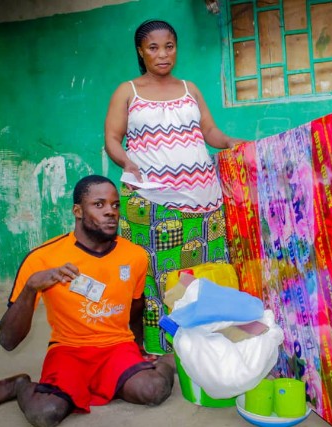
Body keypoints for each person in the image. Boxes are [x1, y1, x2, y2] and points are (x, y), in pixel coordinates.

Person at [0, 175, 175, 426]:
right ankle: (19, 385)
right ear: (77, 211)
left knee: (154, 390)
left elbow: (136, 305)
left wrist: (138, 348)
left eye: (115, 205)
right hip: (68, 349)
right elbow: (8, 340)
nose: (111, 212)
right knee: (44, 413)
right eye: (99, 204)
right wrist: (31, 287)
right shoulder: (42, 258)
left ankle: (166, 362)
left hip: (116, 347)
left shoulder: (134, 255)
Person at [104, 19, 247, 355]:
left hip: (205, 201)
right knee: (161, 278)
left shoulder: (189, 89)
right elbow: (112, 137)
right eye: (153, 47)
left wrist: (228, 141)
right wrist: (126, 162)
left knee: (205, 275)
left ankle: (207, 347)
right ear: (141, 51)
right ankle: (163, 350)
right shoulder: (128, 91)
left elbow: (209, 132)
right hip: (152, 202)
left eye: (169, 46)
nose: (163, 54)